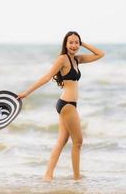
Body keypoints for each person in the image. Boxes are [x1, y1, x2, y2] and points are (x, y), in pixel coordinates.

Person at [16, 31, 104, 181]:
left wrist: (83, 44)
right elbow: (46, 77)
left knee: (62, 141)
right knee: (78, 142)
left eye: (77, 42)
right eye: (71, 42)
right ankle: (76, 177)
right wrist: (27, 92)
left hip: (69, 105)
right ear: (65, 44)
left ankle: (48, 175)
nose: (74, 45)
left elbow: (100, 54)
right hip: (67, 105)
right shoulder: (62, 59)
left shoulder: (77, 60)